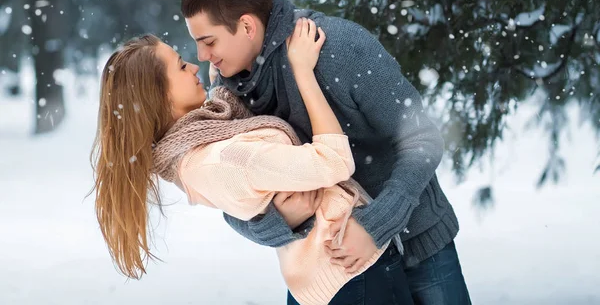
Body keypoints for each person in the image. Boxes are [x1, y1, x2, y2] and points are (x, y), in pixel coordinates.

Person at [181, 0, 471, 304]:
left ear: (246, 26)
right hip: (331, 272)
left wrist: (376, 225)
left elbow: (421, 139)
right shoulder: (230, 97)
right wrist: (279, 220)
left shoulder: (338, 48)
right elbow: (233, 200)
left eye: (208, 41)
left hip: (419, 245)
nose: (201, 55)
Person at [90, 22, 414, 304]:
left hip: (332, 269)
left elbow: (236, 133)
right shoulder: (219, 160)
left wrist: (223, 75)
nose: (193, 66)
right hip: (349, 274)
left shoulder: (197, 141)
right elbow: (333, 161)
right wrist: (302, 71)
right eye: (179, 66)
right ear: (159, 97)